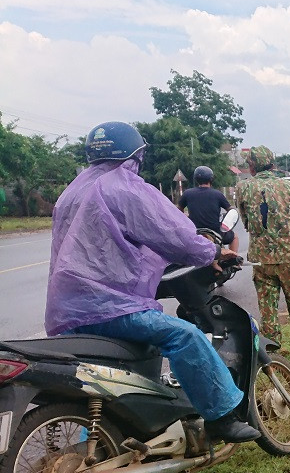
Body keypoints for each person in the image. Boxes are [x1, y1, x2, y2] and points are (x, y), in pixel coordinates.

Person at [46, 121, 259, 442]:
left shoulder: (71, 191)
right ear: (135, 154)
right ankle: (221, 418)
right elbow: (175, 235)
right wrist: (212, 251)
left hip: (65, 311)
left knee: (104, 377)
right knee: (185, 337)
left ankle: (104, 439)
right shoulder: (125, 187)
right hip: (110, 307)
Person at [236, 146, 290, 363]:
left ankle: (272, 355)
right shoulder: (288, 187)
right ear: (273, 164)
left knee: (267, 308)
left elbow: (245, 221)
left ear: (252, 166)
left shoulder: (243, 188)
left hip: (261, 258)